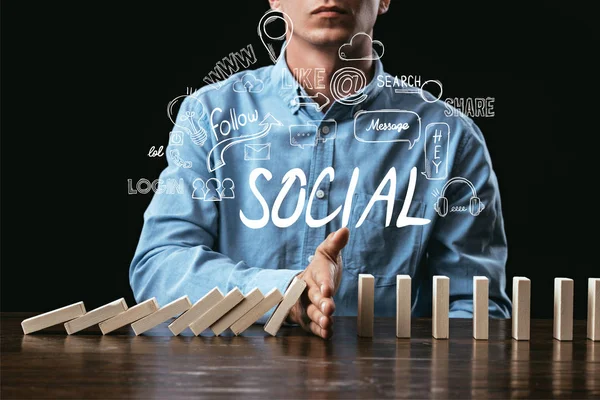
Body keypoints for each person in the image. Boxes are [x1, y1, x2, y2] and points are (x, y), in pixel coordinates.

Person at [129, 0, 511, 339]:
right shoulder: (209, 116)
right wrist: (283, 293)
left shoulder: (448, 137)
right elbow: (159, 267)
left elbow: (475, 307)